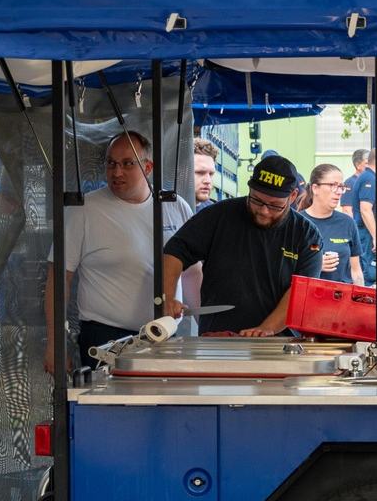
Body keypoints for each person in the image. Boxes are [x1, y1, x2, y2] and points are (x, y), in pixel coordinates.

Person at [44, 131, 194, 373]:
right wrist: (55, 343)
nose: (117, 172)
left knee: (161, 409)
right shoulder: (83, 211)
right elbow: (58, 280)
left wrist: (209, 330)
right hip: (105, 339)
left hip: (164, 334)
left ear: (148, 167)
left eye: (127, 164)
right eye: (111, 163)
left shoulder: (175, 206)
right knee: (110, 410)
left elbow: (193, 274)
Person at [161, 154, 323, 336]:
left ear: (292, 196)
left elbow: (301, 290)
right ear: (250, 187)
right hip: (218, 340)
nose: (264, 210)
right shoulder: (218, 216)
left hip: (277, 345)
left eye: (274, 205)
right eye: (257, 200)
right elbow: (175, 251)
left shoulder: (306, 234)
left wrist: (266, 329)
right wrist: (168, 296)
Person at [303, 163, 364, 286]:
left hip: (342, 299)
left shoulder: (348, 223)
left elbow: (356, 269)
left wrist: (360, 298)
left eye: (341, 187)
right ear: (315, 189)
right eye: (332, 185)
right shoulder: (298, 223)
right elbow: (285, 270)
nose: (339, 192)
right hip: (310, 297)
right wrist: (315, 265)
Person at [348, 148, 377, 285]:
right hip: (366, 233)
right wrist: (376, 237)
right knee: (369, 274)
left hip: (366, 233)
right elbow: (365, 210)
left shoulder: (369, 176)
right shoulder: (369, 178)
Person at [193, 139, 218, 209]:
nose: (208, 181)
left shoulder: (214, 212)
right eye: (200, 173)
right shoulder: (164, 210)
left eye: (211, 174)